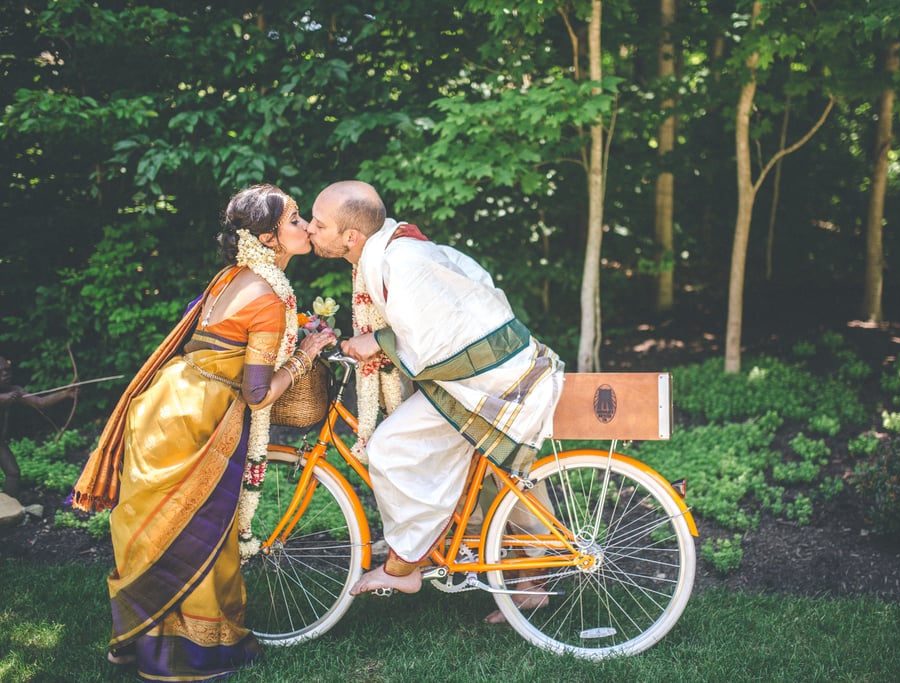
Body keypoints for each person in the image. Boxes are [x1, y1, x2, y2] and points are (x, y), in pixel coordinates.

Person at [70, 184, 336, 681]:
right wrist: (306, 356)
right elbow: (259, 393)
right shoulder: (269, 296)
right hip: (197, 418)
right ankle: (187, 655)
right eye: (296, 219)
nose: (306, 228)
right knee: (198, 531)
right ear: (267, 236)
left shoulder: (231, 277)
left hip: (165, 404)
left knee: (156, 533)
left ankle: (132, 643)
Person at [305, 180, 565, 601]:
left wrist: (380, 341)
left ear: (350, 237)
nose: (310, 230)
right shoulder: (392, 251)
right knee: (493, 476)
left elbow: (437, 332)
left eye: (318, 224)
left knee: (390, 447)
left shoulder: (403, 259)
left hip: (487, 383)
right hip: (482, 377)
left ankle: (406, 564)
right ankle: (523, 576)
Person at [0, 355, 77, 497]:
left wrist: (65, 393)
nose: (6, 374)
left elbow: (39, 402)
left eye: (8, 371)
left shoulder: (14, 390)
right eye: (1, 372)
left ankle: (8, 507)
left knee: (13, 472)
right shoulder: (8, 394)